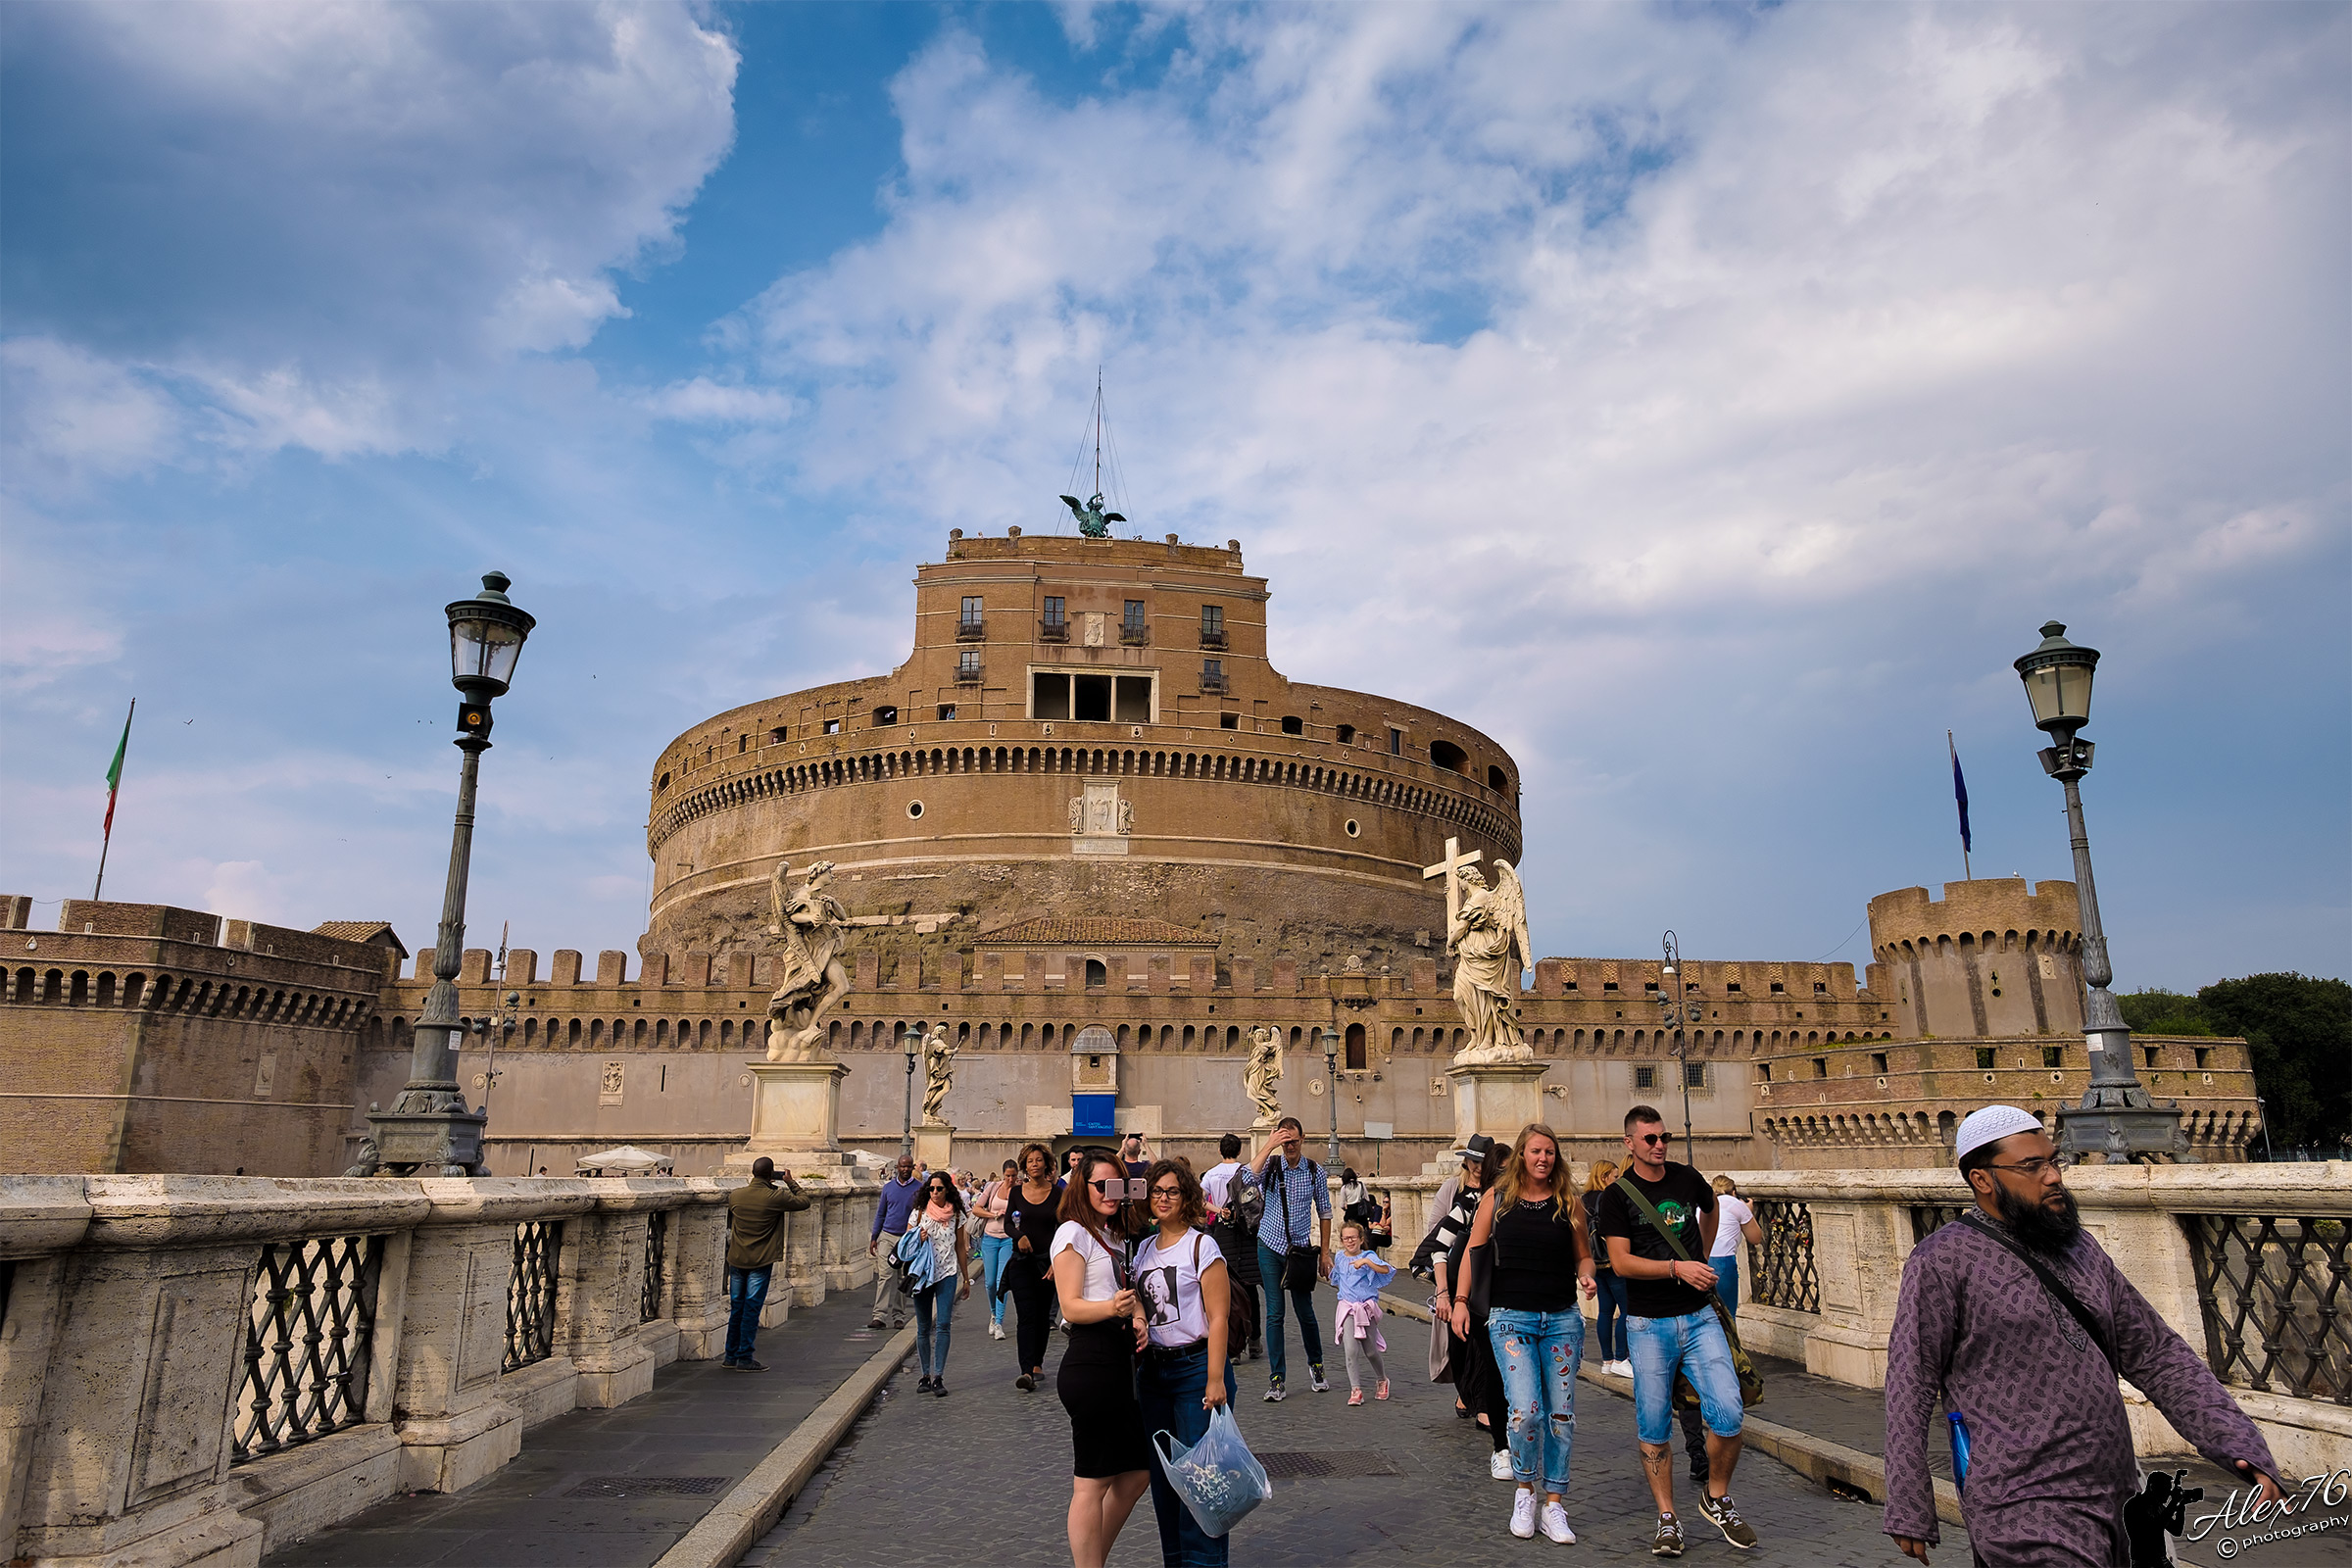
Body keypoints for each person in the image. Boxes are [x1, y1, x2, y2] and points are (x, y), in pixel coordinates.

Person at [1885, 1105, 2283, 1568]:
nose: (2053, 1177)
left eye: (2055, 1161)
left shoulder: (2081, 1248)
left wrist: (2238, 1444)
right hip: (2018, 1502)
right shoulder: (1941, 1260)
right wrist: (1909, 1503)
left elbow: (2157, 1354)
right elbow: (1909, 1382)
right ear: (1982, 1180)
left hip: (2115, 1494)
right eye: (2032, 1167)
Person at [1594, 1104, 1755, 1556]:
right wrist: (1677, 1267)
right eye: (1649, 1139)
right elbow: (1622, 1262)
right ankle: (1667, 1517)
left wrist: (1700, 1256)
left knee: (1729, 1413)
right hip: (1647, 1324)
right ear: (1629, 1144)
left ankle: (1716, 1496)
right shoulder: (1617, 1196)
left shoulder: (1687, 1178)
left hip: (1700, 1316)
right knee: (1654, 1425)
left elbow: (1713, 1210)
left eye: (1663, 1136)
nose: (1659, 1144)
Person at [1459, 1122, 1595, 1544]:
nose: (1543, 1159)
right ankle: (1525, 1492)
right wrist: (1460, 1301)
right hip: (1510, 1319)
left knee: (1561, 1417)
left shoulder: (1568, 1203)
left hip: (1561, 1320)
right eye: (1536, 1151)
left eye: (1550, 1153)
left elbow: (1584, 1257)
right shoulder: (1496, 1200)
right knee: (1525, 1411)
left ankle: (1554, 1504)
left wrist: (1588, 1277)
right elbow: (1472, 1252)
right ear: (1521, 1155)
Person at [1134, 1158, 1238, 1568]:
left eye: (1172, 1191)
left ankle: (1207, 1564)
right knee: (1164, 1480)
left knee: (1202, 1477)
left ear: (1187, 1197)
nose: (1163, 1198)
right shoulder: (1142, 1248)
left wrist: (1215, 1378)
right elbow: (1140, 1300)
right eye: (1156, 1191)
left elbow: (1219, 1317)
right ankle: (1175, 1561)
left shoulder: (1202, 1245)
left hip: (1196, 1370)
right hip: (1154, 1372)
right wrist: (1140, 1314)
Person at [1054, 1149, 1152, 1568]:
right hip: (1091, 1362)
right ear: (1083, 1186)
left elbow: (1126, 1295)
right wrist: (1113, 1310)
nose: (1111, 1195)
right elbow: (1072, 1306)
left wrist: (1139, 1315)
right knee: (1091, 1484)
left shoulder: (1113, 1236)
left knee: (1135, 1474)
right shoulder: (1072, 1234)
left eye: (1118, 1186)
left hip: (1119, 1364)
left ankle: (1092, 1559)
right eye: (1102, 1186)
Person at [1674, 1173, 1764, 1483]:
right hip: (1720, 1267)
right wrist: (1748, 1209)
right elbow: (1756, 1238)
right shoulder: (1736, 1206)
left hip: (1689, 1277)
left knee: (1686, 1377)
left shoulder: (1692, 1211)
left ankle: (1697, 1452)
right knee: (1726, 1328)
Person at [1433, 1134, 1511, 1476]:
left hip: (1512, 1296)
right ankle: (1493, 1427)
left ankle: (1493, 1413)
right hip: (1479, 1294)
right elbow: (1441, 1245)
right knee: (1484, 1358)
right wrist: (1446, 1294)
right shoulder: (1471, 1202)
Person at [1250, 1115, 1331, 1399]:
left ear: (1303, 1139)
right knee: (1275, 1313)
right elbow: (1248, 1178)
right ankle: (1277, 1379)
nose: (1290, 1147)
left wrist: (1325, 1253)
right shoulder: (1271, 1166)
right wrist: (1269, 1144)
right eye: (1285, 1142)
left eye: (1293, 1141)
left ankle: (1317, 1365)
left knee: (1305, 1312)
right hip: (1269, 1246)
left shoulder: (1314, 1171)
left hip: (1300, 1251)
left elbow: (1325, 1211)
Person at [722, 1156, 809, 1371]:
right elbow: (804, 1201)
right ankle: (744, 1356)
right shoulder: (775, 1197)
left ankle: (730, 1356)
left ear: (753, 1172)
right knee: (751, 1307)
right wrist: (790, 1181)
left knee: (737, 1307)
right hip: (760, 1260)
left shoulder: (736, 1195)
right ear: (771, 1174)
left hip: (737, 1258)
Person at [1003, 1141, 1064, 1391]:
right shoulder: (1017, 1193)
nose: (1034, 1164)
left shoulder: (1058, 1193)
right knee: (1026, 1316)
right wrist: (1020, 1237)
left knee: (1042, 1317)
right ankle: (1026, 1371)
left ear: (1046, 1164)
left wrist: (1056, 1261)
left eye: (1038, 1160)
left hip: (1047, 1264)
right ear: (1024, 1166)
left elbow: (1064, 1228)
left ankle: (1037, 1362)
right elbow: (1008, 1223)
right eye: (1030, 1161)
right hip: (1021, 1263)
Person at [908, 1169, 972, 1395]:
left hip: (947, 1272)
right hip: (923, 1274)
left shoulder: (957, 1215)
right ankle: (924, 1375)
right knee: (923, 1327)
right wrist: (918, 1237)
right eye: (931, 1188)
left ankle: (938, 1376)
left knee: (944, 1324)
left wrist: (966, 1278)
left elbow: (961, 1248)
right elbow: (907, 1244)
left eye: (939, 1188)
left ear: (948, 1190)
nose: (935, 1192)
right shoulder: (919, 1213)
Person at [1202, 1133, 1264, 1360]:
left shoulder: (1211, 1174)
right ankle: (1255, 1340)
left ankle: (1234, 1344)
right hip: (1246, 1233)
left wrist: (1218, 1210)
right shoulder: (1246, 1172)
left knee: (1227, 1291)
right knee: (1250, 1289)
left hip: (1223, 1232)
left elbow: (1200, 1200)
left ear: (1220, 1151)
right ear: (1239, 1151)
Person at [1331, 1219, 1394, 1404]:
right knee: (1350, 1350)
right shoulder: (1340, 1257)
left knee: (1371, 1351)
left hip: (1366, 1308)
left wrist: (1365, 1262)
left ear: (1360, 1239)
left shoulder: (1369, 1255)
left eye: (1353, 1238)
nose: (1349, 1242)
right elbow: (1336, 1277)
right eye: (1345, 1238)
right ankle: (1355, 1389)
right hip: (1347, 1307)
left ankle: (1382, 1379)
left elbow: (1385, 1270)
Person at [1582, 1158, 1632, 1377]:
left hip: (1594, 1262)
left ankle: (1607, 1360)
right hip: (1611, 1259)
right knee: (1627, 1309)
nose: (1617, 1181)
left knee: (1605, 1311)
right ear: (1604, 1178)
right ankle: (1621, 1357)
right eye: (1615, 1177)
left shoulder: (1582, 1200)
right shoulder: (1607, 1197)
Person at [867, 1152, 923, 1330]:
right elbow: (881, 1213)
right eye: (903, 1166)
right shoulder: (888, 1188)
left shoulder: (919, 1188)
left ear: (912, 1168)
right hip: (887, 1236)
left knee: (902, 1278)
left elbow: (922, 1214)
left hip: (907, 1239)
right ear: (897, 1167)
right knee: (885, 1276)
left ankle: (899, 1315)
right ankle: (879, 1316)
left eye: (909, 1166)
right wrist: (874, 1237)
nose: (906, 1169)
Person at [975, 1158, 1017, 1341]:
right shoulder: (992, 1187)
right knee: (990, 1282)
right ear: (1003, 1174)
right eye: (1008, 1176)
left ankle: (999, 1322)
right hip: (990, 1238)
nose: (1010, 1179)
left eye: (1014, 1176)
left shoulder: (1021, 1190)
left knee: (1001, 1281)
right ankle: (993, 1314)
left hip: (1008, 1239)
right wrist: (993, 1214)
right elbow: (976, 1209)